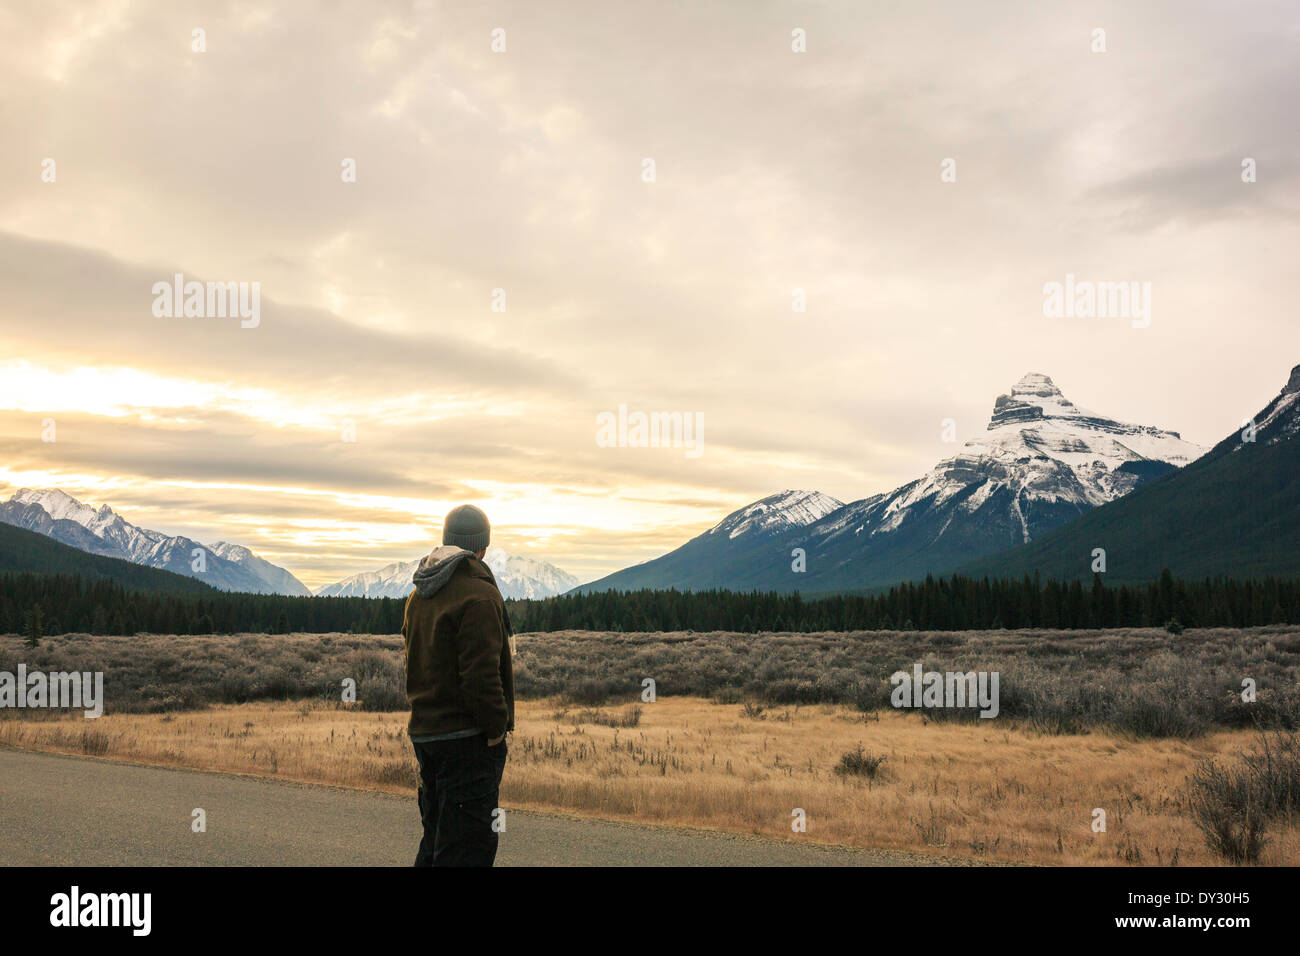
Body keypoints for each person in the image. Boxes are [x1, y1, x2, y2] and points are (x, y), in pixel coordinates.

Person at [402, 504, 513, 866]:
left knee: (436, 841)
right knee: (468, 848)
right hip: (467, 740)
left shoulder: (419, 595)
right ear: (481, 547)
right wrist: (495, 729)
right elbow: (481, 676)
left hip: (426, 735)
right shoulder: (480, 595)